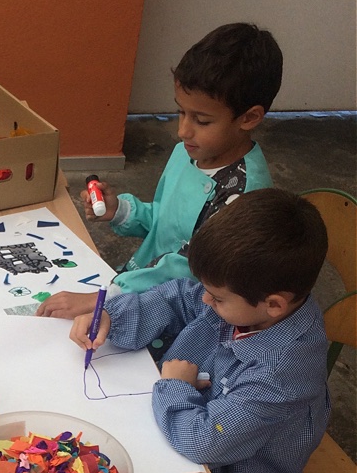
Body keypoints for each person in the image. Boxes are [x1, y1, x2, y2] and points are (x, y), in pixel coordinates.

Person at [71, 189, 329, 473]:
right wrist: (114, 318)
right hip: (184, 441)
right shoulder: (247, 299)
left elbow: (205, 441)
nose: (205, 299)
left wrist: (175, 386)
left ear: (274, 305)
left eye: (217, 298)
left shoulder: (281, 374)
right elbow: (179, 296)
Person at [40, 22, 281, 320]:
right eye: (181, 112)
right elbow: (165, 223)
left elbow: (191, 269)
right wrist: (119, 211)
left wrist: (106, 297)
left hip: (183, 310)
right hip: (137, 286)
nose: (183, 131)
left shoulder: (243, 196)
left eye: (202, 121)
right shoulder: (189, 151)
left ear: (249, 118)